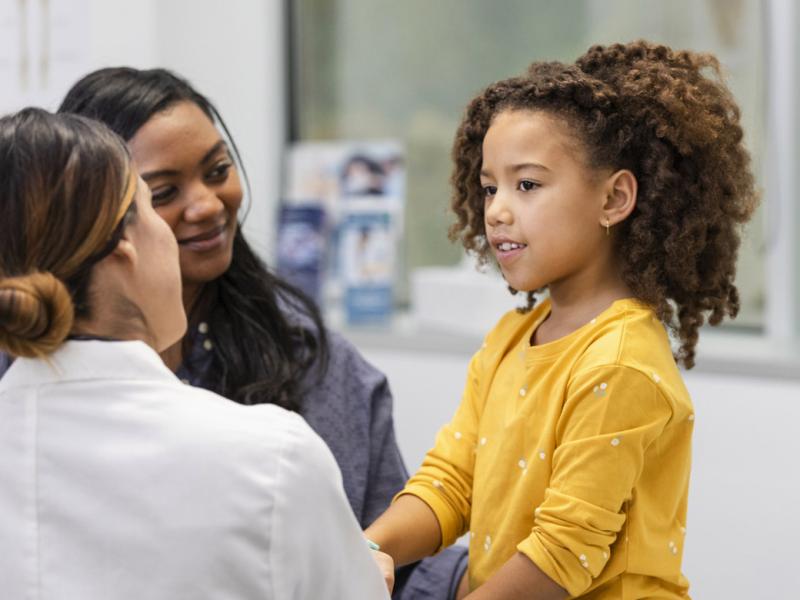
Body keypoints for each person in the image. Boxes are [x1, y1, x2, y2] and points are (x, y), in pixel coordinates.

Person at [54, 67, 468, 598]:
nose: (206, 205)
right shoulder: (37, 380)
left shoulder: (310, 358)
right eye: (163, 192)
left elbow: (393, 563)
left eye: (218, 169)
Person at [365, 40, 758, 599]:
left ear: (614, 198)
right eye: (489, 186)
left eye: (527, 184)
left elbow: (561, 555)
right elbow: (452, 483)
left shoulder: (621, 363)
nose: (497, 209)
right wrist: (370, 549)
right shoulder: (510, 339)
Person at [0, 108, 392, 598]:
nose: (205, 208)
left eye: (217, 170)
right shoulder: (273, 460)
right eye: (155, 198)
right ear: (127, 247)